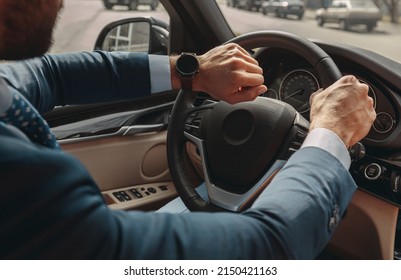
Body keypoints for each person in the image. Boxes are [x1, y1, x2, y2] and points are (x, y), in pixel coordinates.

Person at [0, 0, 375, 259]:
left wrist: (193, 71)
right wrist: (330, 133)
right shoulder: (20, 179)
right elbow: (267, 250)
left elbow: (49, 74)